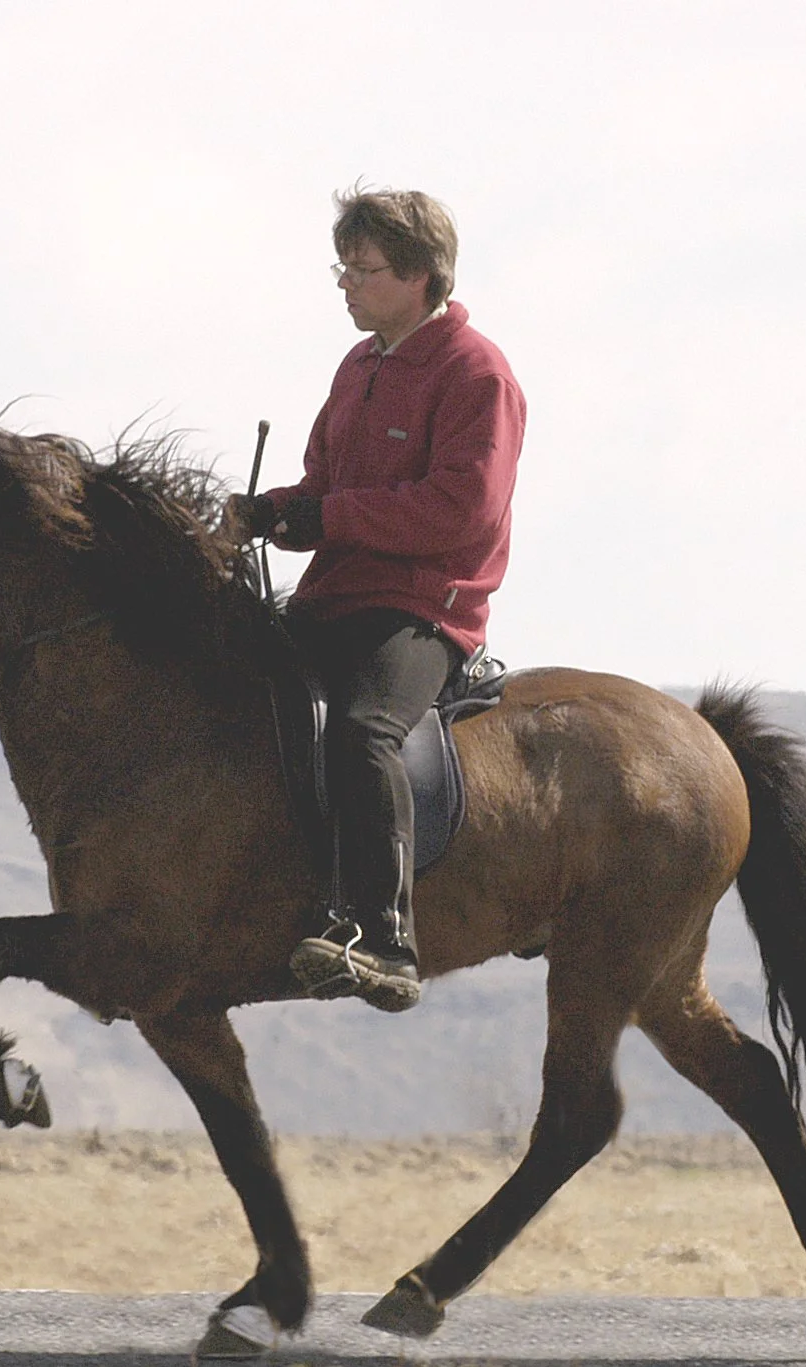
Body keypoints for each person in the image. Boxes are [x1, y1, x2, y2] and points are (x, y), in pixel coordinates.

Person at [223, 186, 526, 1012]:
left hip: (425, 608)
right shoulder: (358, 367)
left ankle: (386, 940)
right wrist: (269, 514)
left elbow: (461, 509)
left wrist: (327, 514)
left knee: (364, 732)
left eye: (365, 269)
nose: (346, 284)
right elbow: (325, 490)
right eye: (343, 267)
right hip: (335, 595)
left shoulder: (478, 373)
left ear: (422, 277)